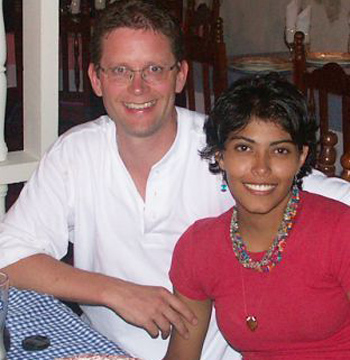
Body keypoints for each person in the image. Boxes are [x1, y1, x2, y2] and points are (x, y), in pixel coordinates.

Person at [0, 1, 349, 359]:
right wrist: (116, 292)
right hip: (104, 350)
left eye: (154, 69)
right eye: (121, 70)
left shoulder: (231, 151)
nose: (138, 87)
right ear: (96, 79)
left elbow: (326, 198)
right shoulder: (76, 153)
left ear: (180, 75)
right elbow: (9, 255)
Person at [164, 73, 350, 360]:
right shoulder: (199, 248)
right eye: (244, 148)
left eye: (279, 150)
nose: (261, 168)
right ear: (220, 155)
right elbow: (181, 356)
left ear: (300, 157)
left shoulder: (340, 232)